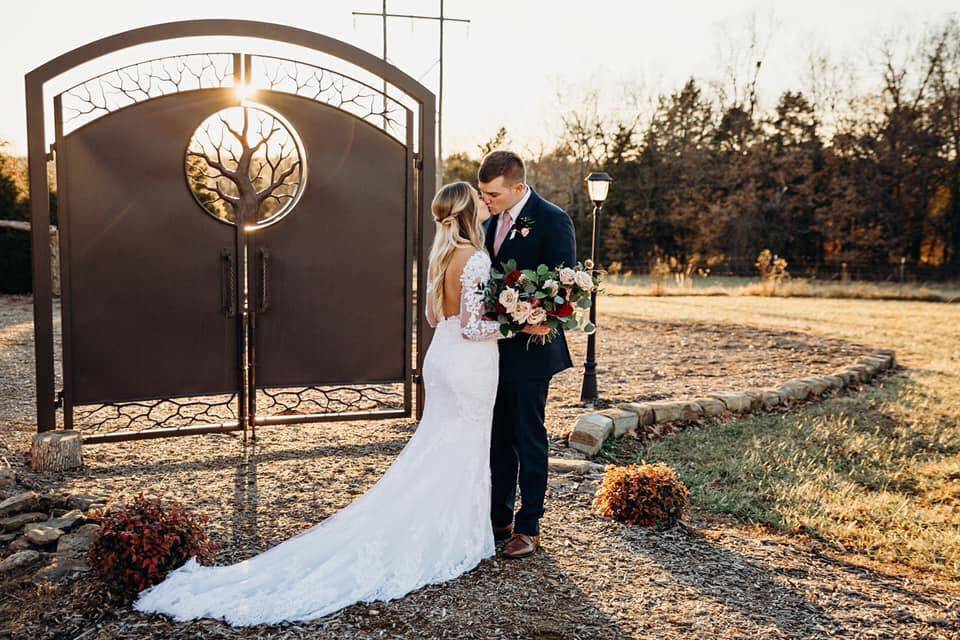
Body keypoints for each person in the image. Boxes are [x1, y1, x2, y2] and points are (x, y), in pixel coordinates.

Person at [132, 181, 531, 626]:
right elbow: (477, 329)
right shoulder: (475, 258)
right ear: (466, 212)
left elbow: (435, 317)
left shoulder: (439, 257)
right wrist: (516, 319)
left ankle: (444, 524)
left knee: (438, 444)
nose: (483, 205)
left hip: (441, 359)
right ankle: (452, 535)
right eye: (478, 202)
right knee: (461, 446)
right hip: (470, 365)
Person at [478, 150, 577, 559]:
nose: (487, 202)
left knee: (528, 436)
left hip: (533, 349)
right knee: (497, 436)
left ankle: (529, 525)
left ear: (518, 187)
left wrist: (540, 315)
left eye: (494, 195)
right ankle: (497, 515)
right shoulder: (487, 224)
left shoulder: (552, 220)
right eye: (483, 194)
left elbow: (565, 286)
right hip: (492, 350)